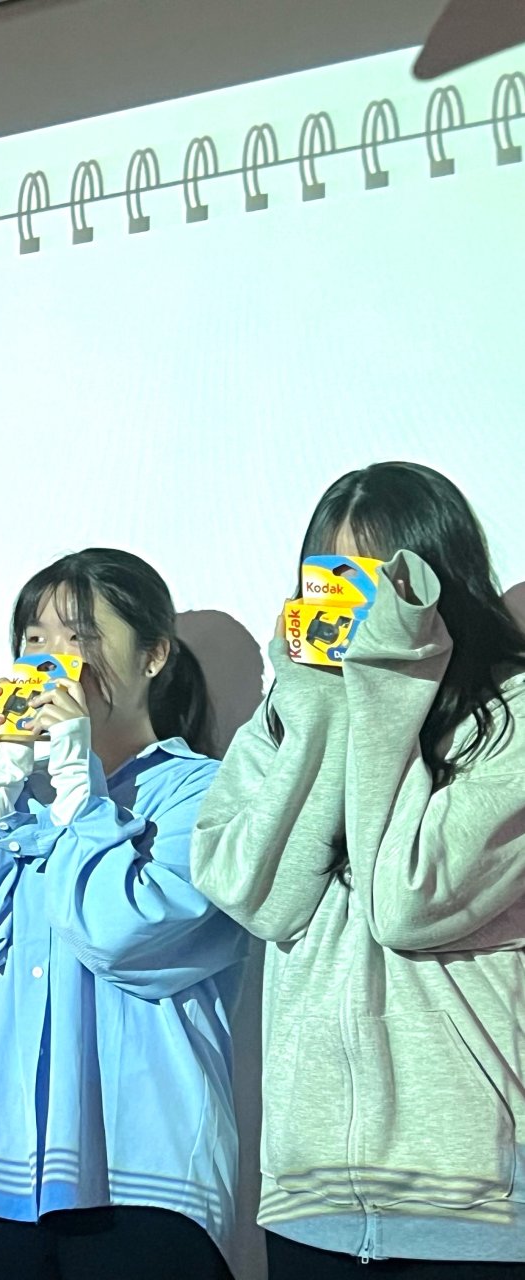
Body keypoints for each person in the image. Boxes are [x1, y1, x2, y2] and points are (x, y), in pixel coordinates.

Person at [192, 463, 525, 1277]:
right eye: (329, 576)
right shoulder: (288, 717)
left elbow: (408, 900)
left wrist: (391, 685)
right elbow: (254, 895)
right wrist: (316, 708)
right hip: (311, 1194)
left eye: (376, 577)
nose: (349, 602)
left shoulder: (510, 713)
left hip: (469, 1192)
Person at [0, 549, 247, 1279]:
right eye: (35, 637)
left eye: (80, 636)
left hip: (144, 1174)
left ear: (153, 655)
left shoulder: (204, 791)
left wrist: (79, 792)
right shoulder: (12, 792)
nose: (52, 659)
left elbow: (119, 933)